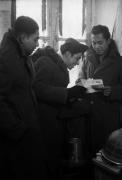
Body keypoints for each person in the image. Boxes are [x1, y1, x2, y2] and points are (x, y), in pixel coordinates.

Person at [31, 39, 88, 179]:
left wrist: (71, 96)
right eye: (77, 58)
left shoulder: (57, 65)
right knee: (46, 163)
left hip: (52, 121)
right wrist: (67, 94)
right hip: (43, 123)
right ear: (67, 54)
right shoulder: (46, 62)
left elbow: (52, 90)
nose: (77, 63)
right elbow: (36, 88)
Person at [0, 16, 48, 179]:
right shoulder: (7, 60)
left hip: (26, 127)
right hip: (16, 136)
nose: (37, 44)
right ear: (22, 38)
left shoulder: (21, 54)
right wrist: (17, 128)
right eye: (35, 39)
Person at [77, 25, 122, 154]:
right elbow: (79, 79)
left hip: (107, 113)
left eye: (100, 43)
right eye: (94, 43)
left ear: (108, 41)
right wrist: (81, 84)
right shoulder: (86, 56)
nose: (96, 46)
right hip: (88, 110)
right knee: (88, 149)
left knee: (105, 149)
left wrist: (112, 91)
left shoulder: (120, 61)